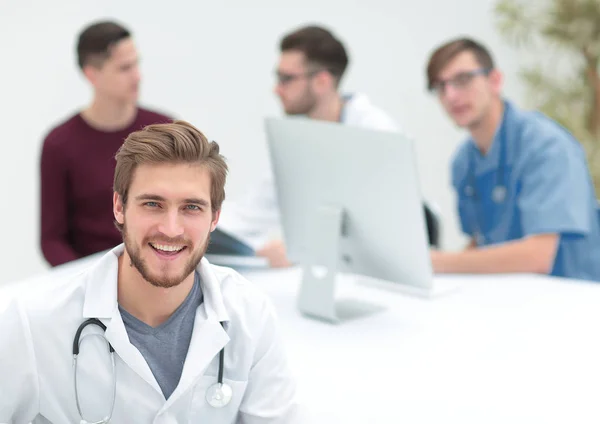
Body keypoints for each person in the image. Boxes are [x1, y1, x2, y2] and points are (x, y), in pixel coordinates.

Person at [0, 121, 301, 422]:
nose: (171, 229)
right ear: (119, 206)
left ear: (215, 217)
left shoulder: (251, 315)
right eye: (153, 204)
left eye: (191, 207)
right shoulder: (34, 324)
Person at [215, 25, 440, 267]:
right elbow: (252, 212)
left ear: (322, 81)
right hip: (326, 271)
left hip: (383, 270)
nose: (277, 89)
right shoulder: (297, 140)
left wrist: (298, 249)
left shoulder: (376, 131)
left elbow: (387, 228)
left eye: (286, 79)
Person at [426, 37, 600, 281]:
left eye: (462, 80)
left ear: (495, 80)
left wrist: (439, 262)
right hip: (511, 293)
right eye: (440, 86)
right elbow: (480, 240)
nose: (451, 95)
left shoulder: (546, 145)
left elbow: (538, 256)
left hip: (573, 297)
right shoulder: (464, 161)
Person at [40, 20, 172, 267]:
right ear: (92, 75)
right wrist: (89, 282)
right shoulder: (59, 144)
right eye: (124, 68)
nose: (137, 76)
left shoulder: (164, 130)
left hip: (157, 267)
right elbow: (52, 240)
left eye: (136, 64)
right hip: (90, 275)